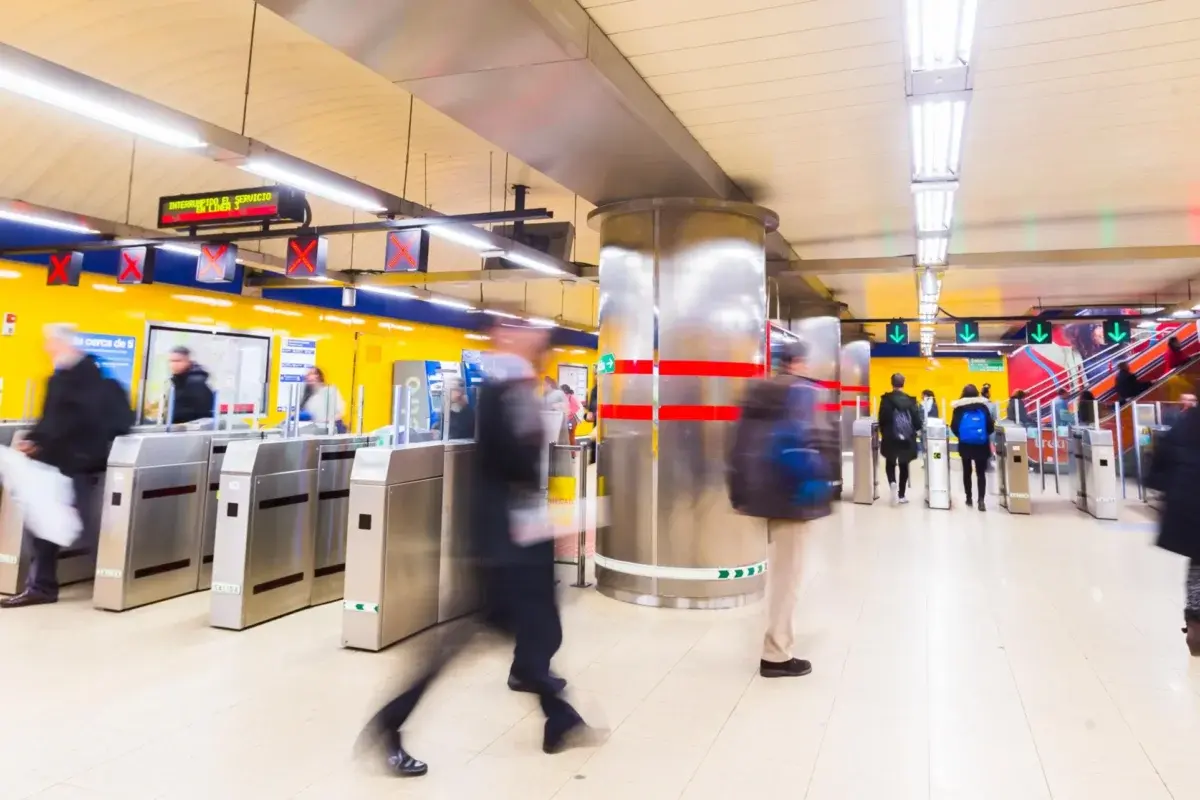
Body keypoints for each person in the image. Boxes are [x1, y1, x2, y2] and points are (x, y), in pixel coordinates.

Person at [358, 317, 597, 776]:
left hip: (511, 539)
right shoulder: (500, 393)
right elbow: (512, 465)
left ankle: (558, 717)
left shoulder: (510, 392)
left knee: (525, 630)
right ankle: (388, 724)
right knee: (460, 644)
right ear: (502, 338)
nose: (533, 338)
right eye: (520, 331)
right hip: (499, 546)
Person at [2, 324, 125, 608]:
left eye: (50, 343)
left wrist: (38, 440)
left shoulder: (72, 379)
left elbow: (67, 418)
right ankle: (102, 580)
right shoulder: (93, 378)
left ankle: (108, 581)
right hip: (72, 462)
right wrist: (34, 438)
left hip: (69, 462)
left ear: (61, 343)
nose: (47, 348)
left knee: (77, 525)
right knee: (58, 525)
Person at [727, 341, 829, 678]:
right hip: (792, 497)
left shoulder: (757, 390)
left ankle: (776, 642)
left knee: (779, 572)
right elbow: (808, 444)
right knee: (788, 577)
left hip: (762, 493)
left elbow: (738, 442)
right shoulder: (800, 392)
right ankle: (777, 654)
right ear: (797, 362)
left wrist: (740, 490)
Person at [1146, 399, 1200, 655]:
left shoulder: (1185, 422)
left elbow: (1158, 466)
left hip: (1188, 507)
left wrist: (1172, 490)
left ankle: (1195, 622)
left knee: (1198, 563)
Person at [950, 384, 995, 511]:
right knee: (981, 473)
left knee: (967, 471)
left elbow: (954, 426)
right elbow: (990, 427)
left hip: (965, 445)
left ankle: (968, 498)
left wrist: (962, 436)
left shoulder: (959, 408)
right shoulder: (983, 407)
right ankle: (981, 500)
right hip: (981, 444)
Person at [877, 373, 919, 504]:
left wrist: (885, 433)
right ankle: (901, 495)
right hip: (906, 438)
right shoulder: (910, 401)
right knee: (904, 464)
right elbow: (917, 422)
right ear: (903, 383)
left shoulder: (886, 400)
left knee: (890, 462)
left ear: (892, 383)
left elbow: (882, 419)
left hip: (890, 437)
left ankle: (892, 483)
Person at [168, 346, 215, 424]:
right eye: (171, 361)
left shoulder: (196, 382)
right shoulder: (177, 381)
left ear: (188, 361)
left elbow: (203, 415)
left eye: (178, 361)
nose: (173, 365)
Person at [300, 367, 346, 432]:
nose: (309, 377)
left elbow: (340, 412)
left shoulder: (331, 391)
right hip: (316, 431)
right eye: (308, 375)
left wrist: (326, 421)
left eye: (312, 374)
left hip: (332, 429)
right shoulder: (308, 398)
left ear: (319, 376)